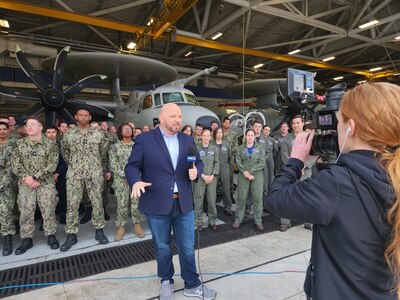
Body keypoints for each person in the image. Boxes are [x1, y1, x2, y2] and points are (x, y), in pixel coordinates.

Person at [267, 82, 400, 299]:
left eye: (338, 122)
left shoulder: (337, 183)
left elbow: (275, 200)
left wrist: (295, 162)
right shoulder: (391, 172)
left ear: (351, 128)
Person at [125, 103, 216, 300]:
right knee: (162, 247)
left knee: (187, 247)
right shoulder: (144, 140)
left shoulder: (187, 140)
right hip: (157, 203)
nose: (178, 120)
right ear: (162, 118)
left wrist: (196, 171)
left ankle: (192, 284)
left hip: (183, 203)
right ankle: (166, 281)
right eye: (173, 116)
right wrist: (135, 180)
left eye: (180, 117)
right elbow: (132, 166)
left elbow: (196, 161)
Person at [60, 107, 109, 252]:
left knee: (97, 202)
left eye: (85, 115)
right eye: (80, 115)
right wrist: (76, 165)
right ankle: (71, 234)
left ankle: (99, 230)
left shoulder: (98, 134)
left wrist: (92, 165)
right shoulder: (69, 134)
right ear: (76, 116)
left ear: (90, 117)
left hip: (94, 173)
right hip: (74, 174)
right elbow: (65, 153)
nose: (82, 117)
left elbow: (103, 153)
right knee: (72, 204)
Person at [11, 116, 59, 254]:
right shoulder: (19, 144)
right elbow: (15, 164)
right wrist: (27, 179)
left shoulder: (50, 144)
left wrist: (35, 177)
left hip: (45, 184)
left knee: (48, 209)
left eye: (32, 124)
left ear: (40, 127)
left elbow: (52, 165)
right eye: (27, 125)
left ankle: (51, 235)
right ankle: (27, 239)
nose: (29, 127)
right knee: (25, 211)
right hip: (26, 184)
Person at [109, 123, 145, 241]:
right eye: (125, 129)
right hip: (121, 181)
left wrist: (133, 178)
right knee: (121, 205)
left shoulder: (137, 146)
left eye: (129, 129)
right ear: (120, 132)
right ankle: (121, 228)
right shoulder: (115, 147)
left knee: (136, 204)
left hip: (135, 181)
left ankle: (137, 226)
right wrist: (126, 176)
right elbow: (113, 164)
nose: (128, 130)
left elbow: (142, 163)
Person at [232, 129, 266, 231]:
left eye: (252, 135)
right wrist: (245, 172)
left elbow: (262, 162)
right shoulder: (240, 148)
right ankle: (238, 219)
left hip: (257, 175)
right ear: (245, 137)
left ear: (255, 137)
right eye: (248, 135)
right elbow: (238, 161)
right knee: (241, 197)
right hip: (243, 174)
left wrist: (250, 172)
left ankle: (258, 220)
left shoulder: (259, 148)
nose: (250, 137)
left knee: (257, 198)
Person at [193, 129, 219, 231]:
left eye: (208, 136)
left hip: (212, 178)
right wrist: (202, 175)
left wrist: (212, 175)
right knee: (198, 199)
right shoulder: (196, 148)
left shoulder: (214, 149)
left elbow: (217, 163)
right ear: (201, 136)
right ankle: (199, 222)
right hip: (200, 177)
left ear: (211, 137)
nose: (206, 138)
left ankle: (212, 221)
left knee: (212, 199)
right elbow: (193, 164)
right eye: (204, 135)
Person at [44, 126, 68, 224]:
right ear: (45, 134)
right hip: (45, 176)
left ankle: (63, 217)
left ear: (56, 133)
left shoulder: (61, 145)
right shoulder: (42, 146)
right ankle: (45, 221)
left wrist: (57, 173)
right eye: (48, 132)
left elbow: (64, 161)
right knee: (46, 199)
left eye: (53, 132)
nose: (51, 134)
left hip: (60, 175)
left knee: (62, 196)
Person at [0, 121, 16, 256]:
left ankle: (7, 239)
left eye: (4, 129)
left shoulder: (12, 146)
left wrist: (2, 183)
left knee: (6, 211)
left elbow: (11, 167)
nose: (2, 131)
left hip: (6, 185)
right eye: (0, 129)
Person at [211, 127, 233, 216]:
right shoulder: (211, 144)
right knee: (212, 190)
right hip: (214, 170)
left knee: (226, 189)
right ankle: (212, 209)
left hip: (224, 169)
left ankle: (227, 208)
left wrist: (224, 165)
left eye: (221, 132)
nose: (219, 134)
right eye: (218, 132)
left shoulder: (226, 144)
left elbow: (229, 157)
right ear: (215, 134)